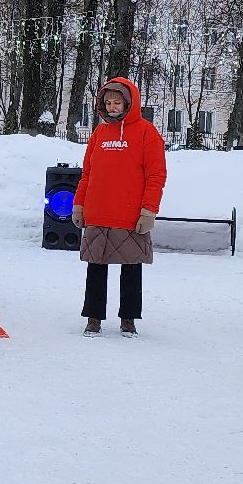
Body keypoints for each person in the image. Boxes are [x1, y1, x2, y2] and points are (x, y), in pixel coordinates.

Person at [72, 77, 167, 337]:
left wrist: (149, 210)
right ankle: (93, 318)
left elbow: (156, 175)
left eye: (117, 102)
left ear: (129, 103)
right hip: (98, 212)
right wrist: (79, 205)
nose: (112, 107)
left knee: (131, 268)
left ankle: (128, 318)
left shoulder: (147, 133)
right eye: (108, 102)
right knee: (95, 267)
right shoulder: (99, 134)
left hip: (130, 215)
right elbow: (87, 174)